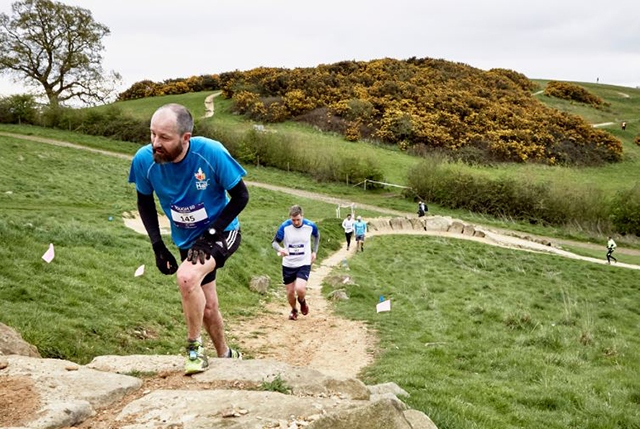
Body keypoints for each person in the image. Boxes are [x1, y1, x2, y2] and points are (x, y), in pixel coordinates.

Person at [128, 103, 249, 375]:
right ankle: (226, 355)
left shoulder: (211, 153)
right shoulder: (144, 160)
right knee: (208, 307)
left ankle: (194, 350)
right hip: (186, 239)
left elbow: (241, 197)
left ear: (186, 138)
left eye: (165, 138)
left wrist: (212, 232)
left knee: (186, 278)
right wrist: (158, 245)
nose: (156, 143)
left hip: (222, 230)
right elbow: (144, 201)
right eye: (152, 134)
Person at [272, 205, 319, 321]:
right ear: (290, 218)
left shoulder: (310, 226)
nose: (296, 222)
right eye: (293, 220)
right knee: (290, 293)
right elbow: (274, 242)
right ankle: (294, 310)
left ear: (302, 216)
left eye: (298, 219)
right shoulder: (285, 226)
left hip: (304, 262)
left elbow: (317, 236)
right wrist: (280, 249)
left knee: (300, 289)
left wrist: (314, 252)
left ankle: (302, 301)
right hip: (288, 264)